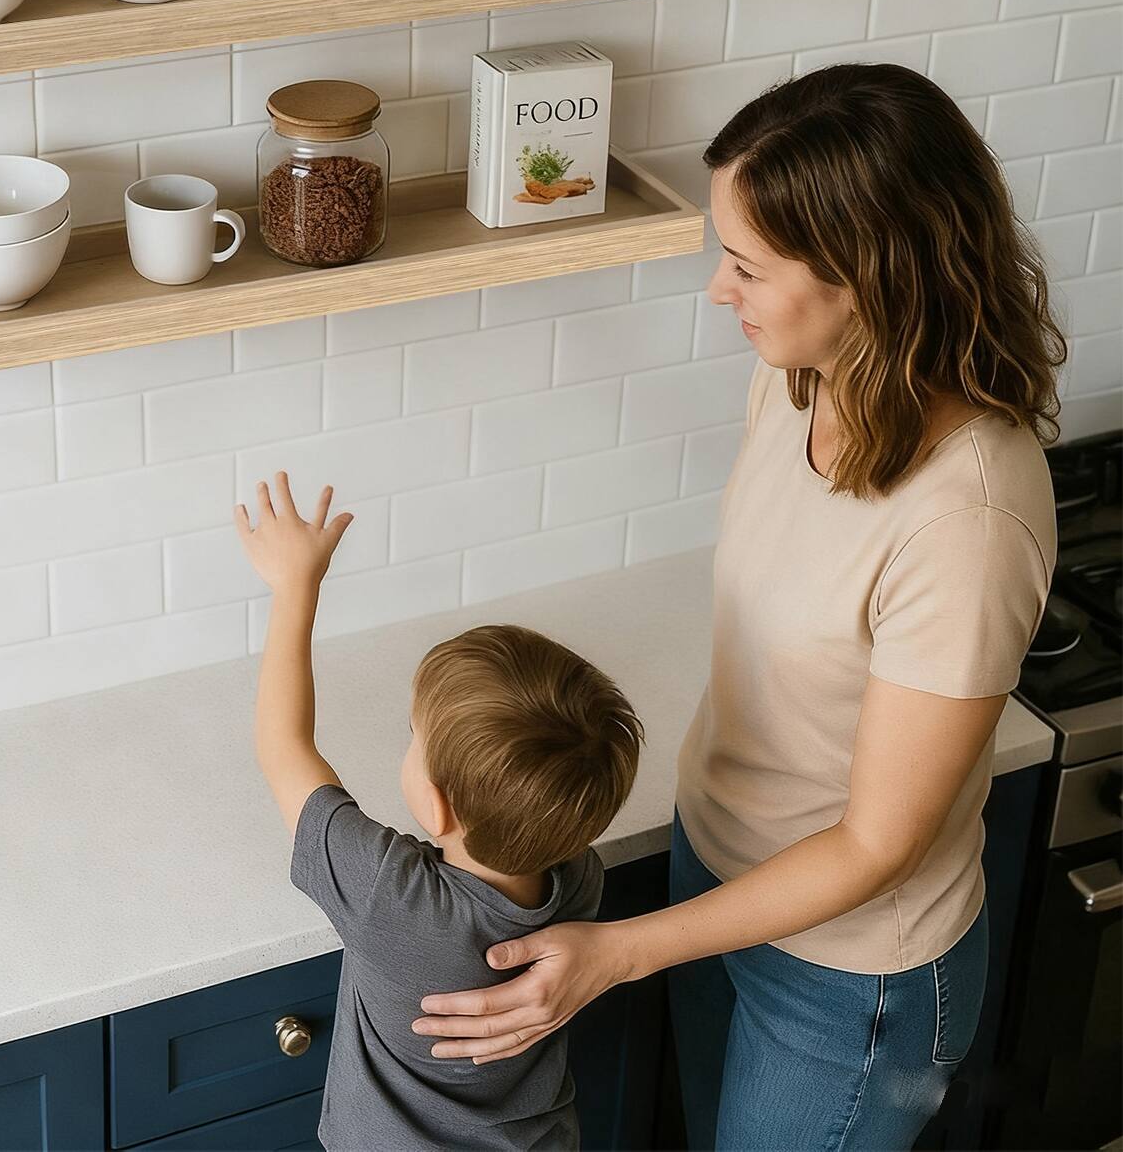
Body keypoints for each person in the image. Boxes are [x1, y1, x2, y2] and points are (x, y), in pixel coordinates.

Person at [409, 64, 1064, 1151]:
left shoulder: (969, 517)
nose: (721, 290)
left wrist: (626, 949)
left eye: (749, 267)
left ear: (870, 275)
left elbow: (877, 844)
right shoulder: (801, 381)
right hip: (716, 880)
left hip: (852, 979)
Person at [236, 470, 644, 1151]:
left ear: (437, 805)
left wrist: (294, 586)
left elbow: (283, 747)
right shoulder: (579, 880)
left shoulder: (387, 894)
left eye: (413, 735)